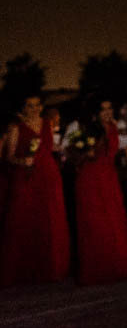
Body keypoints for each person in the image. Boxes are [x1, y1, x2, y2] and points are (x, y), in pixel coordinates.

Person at [0, 91, 70, 285]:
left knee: (50, 219)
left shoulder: (48, 124)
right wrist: (22, 161)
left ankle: (51, 267)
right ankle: (24, 269)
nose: (34, 108)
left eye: (37, 104)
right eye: (30, 105)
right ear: (23, 107)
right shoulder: (16, 127)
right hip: (27, 177)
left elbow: (52, 148)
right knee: (24, 218)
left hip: (49, 176)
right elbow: (8, 156)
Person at [72, 98, 127, 284]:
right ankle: (98, 269)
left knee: (113, 220)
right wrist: (85, 153)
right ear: (96, 113)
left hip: (109, 177)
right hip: (91, 178)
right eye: (103, 109)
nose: (107, 112)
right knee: (96, 223)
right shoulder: (87, 129)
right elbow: (74, 157)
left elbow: (122, 148)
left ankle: (116, 266)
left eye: (109, 108)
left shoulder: (114, 127)